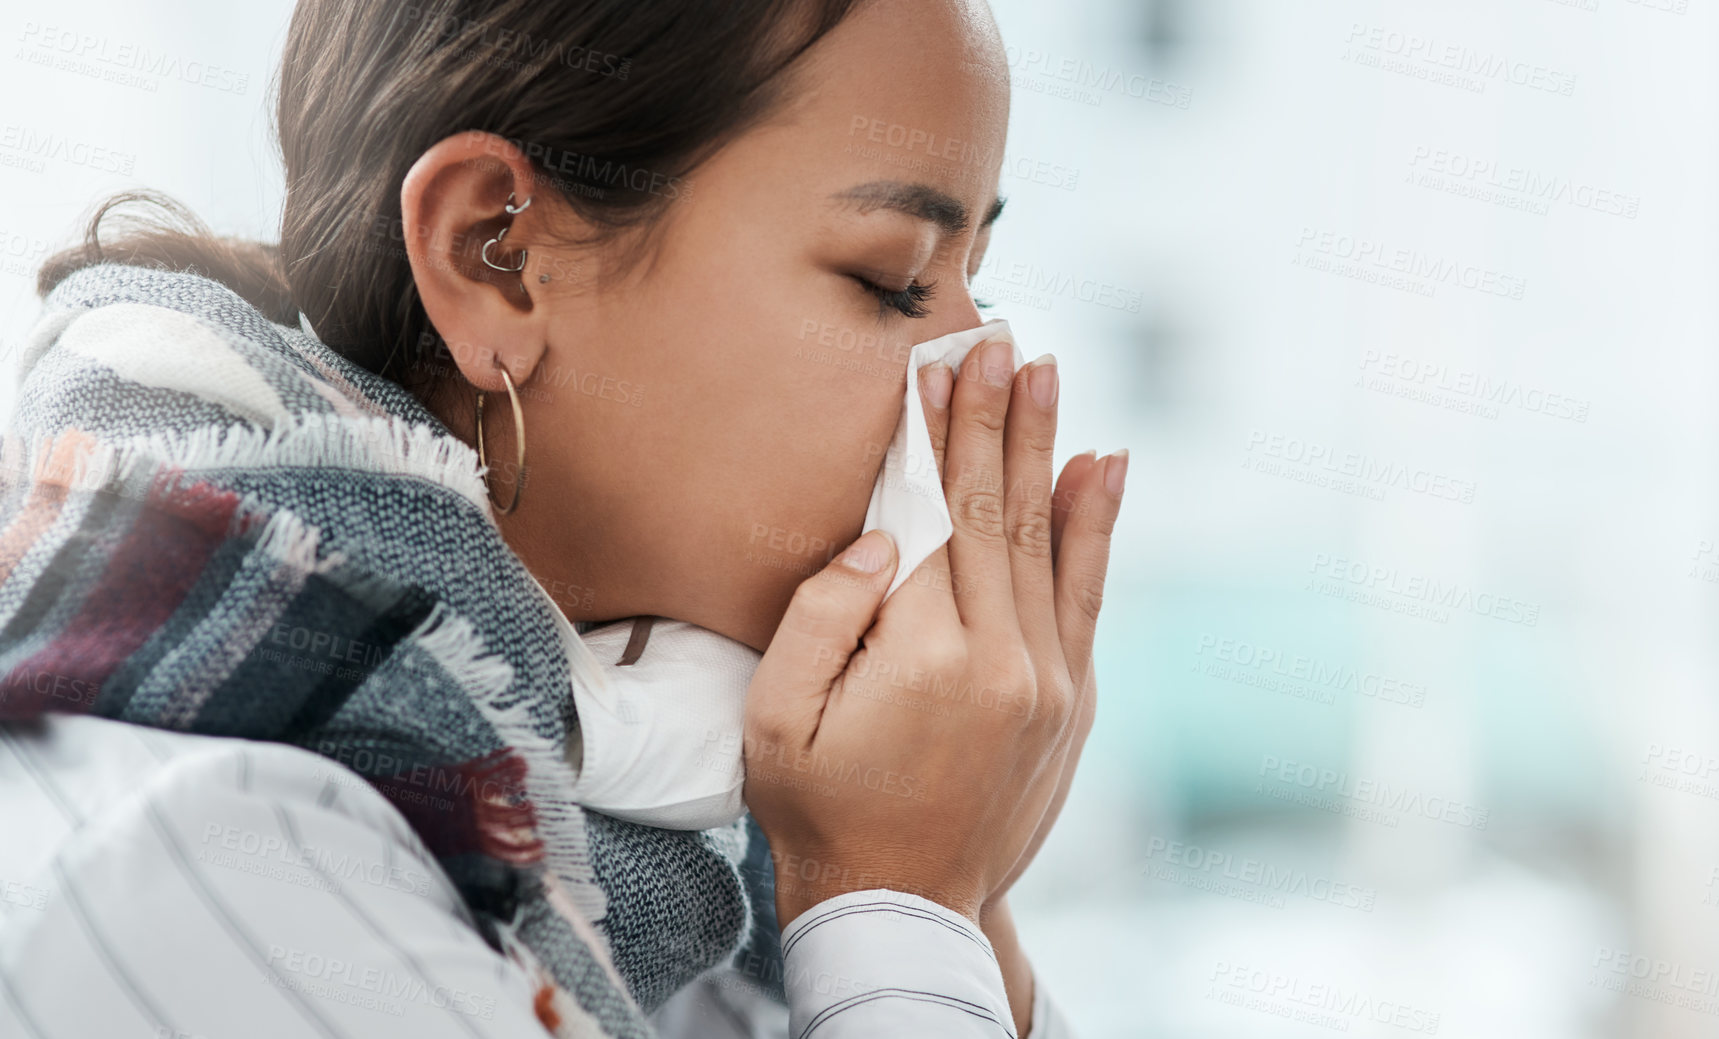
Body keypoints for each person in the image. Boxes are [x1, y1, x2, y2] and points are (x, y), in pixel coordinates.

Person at [0, 0, 1126, 1036]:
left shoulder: (680, 865)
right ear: (497, 258)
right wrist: (900, 901)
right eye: (891, 279)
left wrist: (952, 905)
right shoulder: (216, 861)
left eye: (980, 274)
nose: (979, 365)